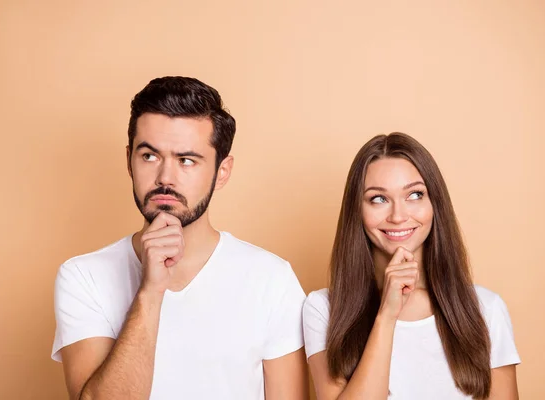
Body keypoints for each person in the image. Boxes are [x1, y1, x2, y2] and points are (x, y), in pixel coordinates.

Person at [52, 76, 308, 400]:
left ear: (222, 171)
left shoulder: (272, 280)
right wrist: (151, 290)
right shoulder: (83, 277)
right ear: (129, 160)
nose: (165, 178)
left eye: (186, 160)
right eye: (149, 156)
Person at [302, 133, 520, 399]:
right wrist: (387, 315)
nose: (398, 216)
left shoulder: (485, 309)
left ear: (435, 204)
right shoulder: (324, 310)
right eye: (378, 199)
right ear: (356, 210)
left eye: (415, 195)